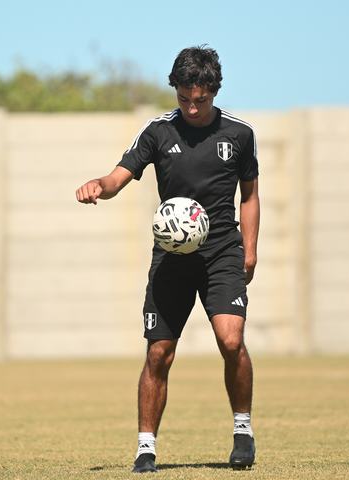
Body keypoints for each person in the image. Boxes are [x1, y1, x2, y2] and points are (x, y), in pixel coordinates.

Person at [75, 45, 260, 473]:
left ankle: (243, 430)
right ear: (175, 90)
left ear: (214, 91)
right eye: (184, 98)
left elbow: (250, 196)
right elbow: (118, 177)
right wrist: (98, 186)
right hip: (172, 257)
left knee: (231, 340)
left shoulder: (239, 134)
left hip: (221, 252)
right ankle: (146, 449)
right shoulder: (158, 132)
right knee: (159, 353)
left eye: (201, 100)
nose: (192, 108)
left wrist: (249, 249)